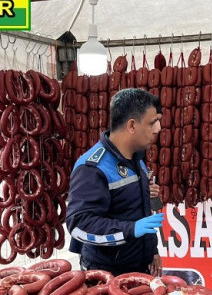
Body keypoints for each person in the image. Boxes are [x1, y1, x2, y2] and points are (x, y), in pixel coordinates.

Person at [66, 88, 164, 276]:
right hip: (105, 273)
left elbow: (139, 211)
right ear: (132, 126)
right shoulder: (92, 168)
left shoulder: (137, 160)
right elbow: (78, 226)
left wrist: (152, 250)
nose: (158, 129)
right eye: (153, 122)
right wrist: (131, 229)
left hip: (138, 267)